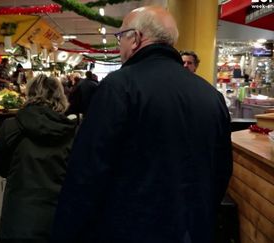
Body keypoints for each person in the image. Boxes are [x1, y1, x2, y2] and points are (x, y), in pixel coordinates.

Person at [52, 6, 232, 243]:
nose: (119, 46)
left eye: (120, 37)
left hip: (131, 230)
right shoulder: (211, 95)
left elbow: (87, 171)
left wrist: (65, 231)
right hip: (194, 229)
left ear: (135, 38)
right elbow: (222, 170)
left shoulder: (119, 86)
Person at [0, 74, 77, 241]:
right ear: (60, 96)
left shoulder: (11, 126)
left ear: (29, 94)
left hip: (18, 215)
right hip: (58, 216)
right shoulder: (71, 131)